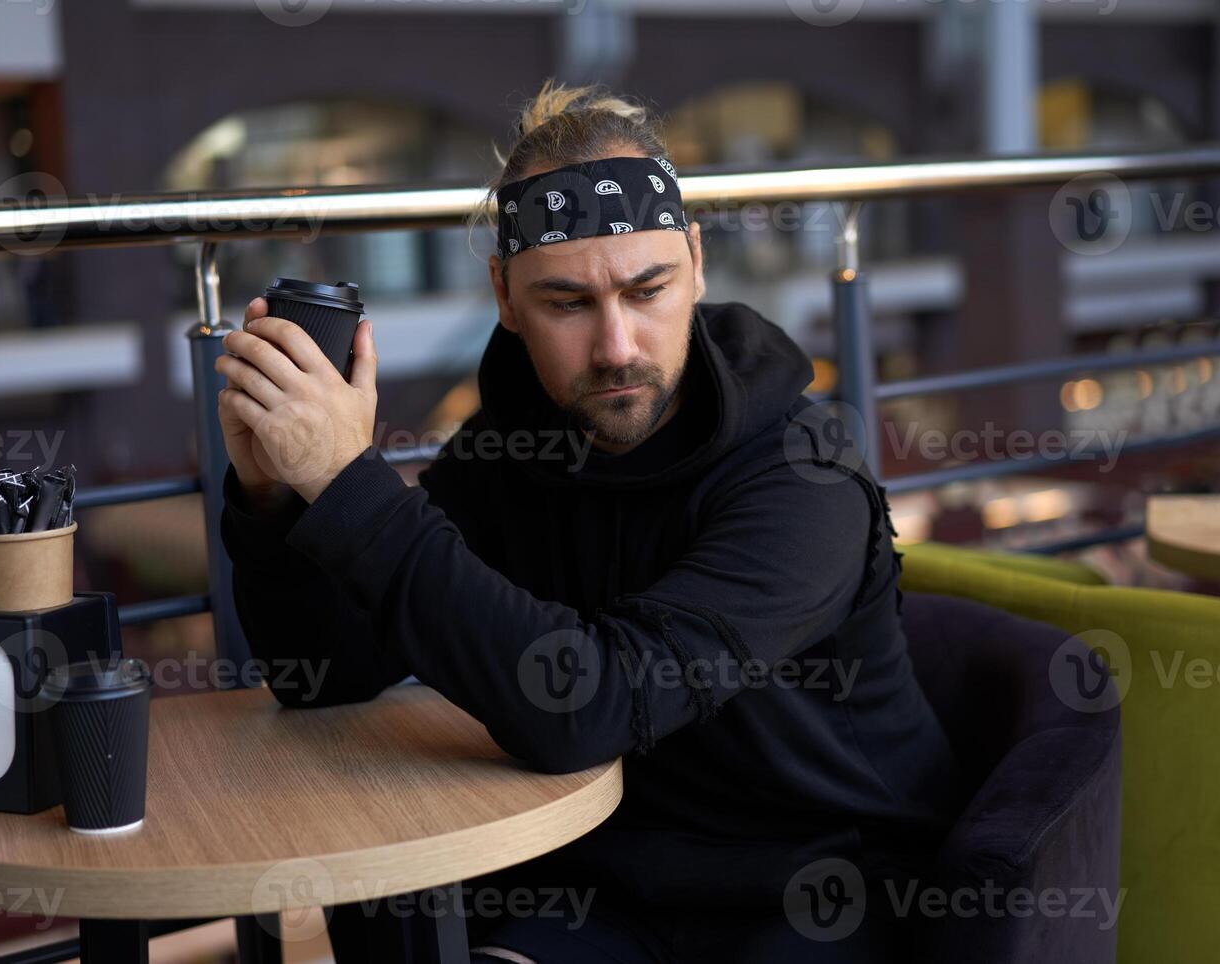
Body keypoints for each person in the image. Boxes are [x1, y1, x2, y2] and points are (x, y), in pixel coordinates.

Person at [214, 78, 962, 964]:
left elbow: (591, 704)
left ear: (697, 263)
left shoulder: (804, 478)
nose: (616, 347)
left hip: (822, 890)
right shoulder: (510, 451)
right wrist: (274, 499)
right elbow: (332, 676)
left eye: (647, 291)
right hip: (604, 892)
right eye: (567, 304)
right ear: (504, 296)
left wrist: (348, 482)